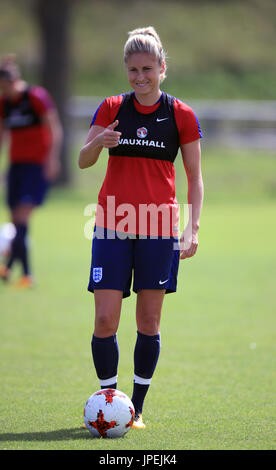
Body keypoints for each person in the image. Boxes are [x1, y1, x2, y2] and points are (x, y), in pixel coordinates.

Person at [78, 27, 204, 429]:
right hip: (112, 224)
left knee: (148, 322)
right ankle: (109, 401)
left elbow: (195, 177)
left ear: (162, 69)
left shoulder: (180, 114)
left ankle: (138, 409)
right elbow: (83, 159)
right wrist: (101, 142)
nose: (140, 77)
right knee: (104, 321)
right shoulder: (112, 106)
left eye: (148, 68)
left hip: (158, 227)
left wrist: (192, 228)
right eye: (133, 70)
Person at [0, 55, 63, 287]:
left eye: (5, 87)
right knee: (16, 221)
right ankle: (24, 274)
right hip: (16, 166)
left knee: (21, 217)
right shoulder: (4, 104)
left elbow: (54, 128)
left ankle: (9, 268)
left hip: (36, 166)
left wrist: (52, 160)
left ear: (14, 81)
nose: (4, 92)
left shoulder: (36, 97)